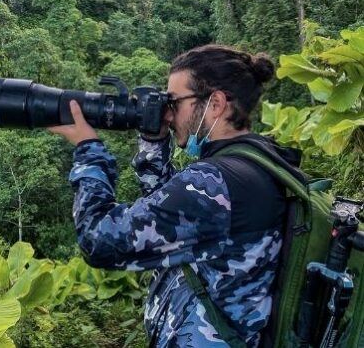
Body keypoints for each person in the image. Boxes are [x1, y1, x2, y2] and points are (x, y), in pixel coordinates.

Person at [48, 45, 303, 347]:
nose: (168, 115)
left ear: (216, 103)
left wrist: (88, 150)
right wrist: (153, 143)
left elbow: (99, 241)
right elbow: (171, 222)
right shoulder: (257, 161)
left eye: (175, 102)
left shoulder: (212, 181)